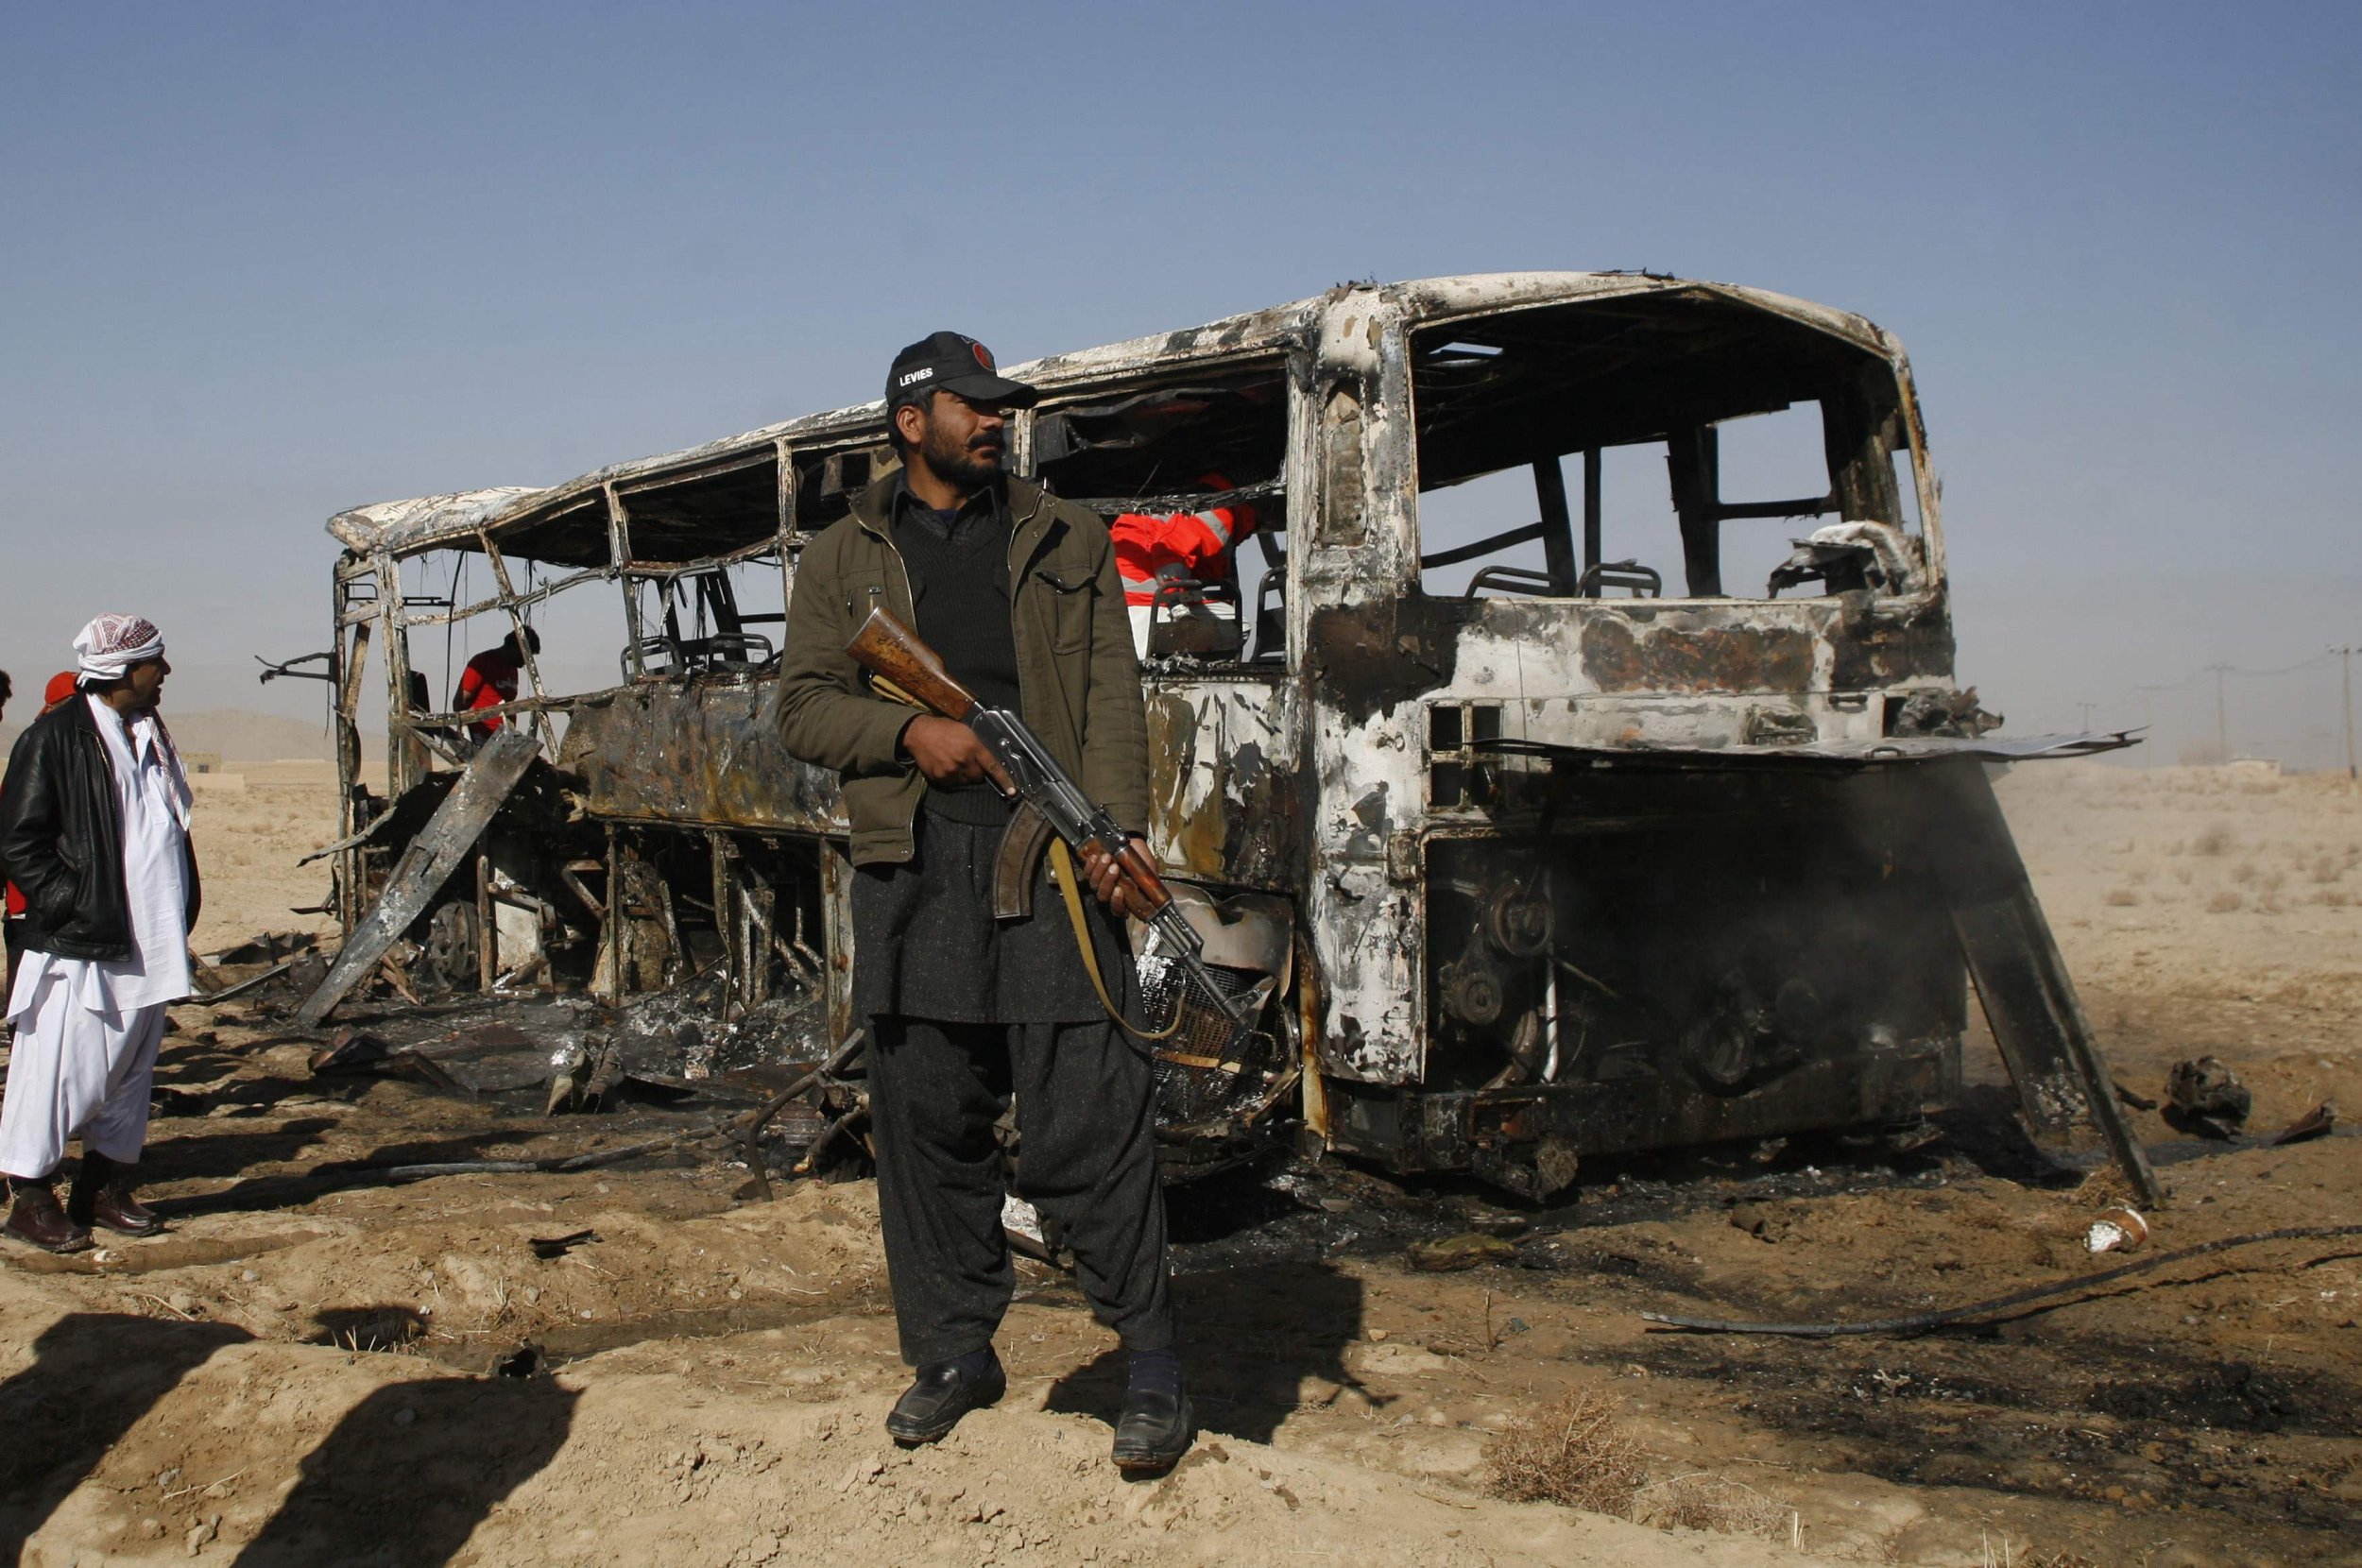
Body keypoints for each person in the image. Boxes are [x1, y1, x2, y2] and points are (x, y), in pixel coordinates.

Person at [775, 332, 1190, 1471]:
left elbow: (1110, 690)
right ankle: (955, 1353)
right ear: (912, 421)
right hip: (911, 866)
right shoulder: (839, 558)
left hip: (1051, 855)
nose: (997, 420)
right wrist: (910, 729)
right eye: (974, 405)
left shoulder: (1066, 535)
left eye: (1003, 407)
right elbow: (802, 707)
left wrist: (1121, 834)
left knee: (1090, 1110)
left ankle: (1148, 1361)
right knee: (927, 1119)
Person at [0, 618, 198, 1253]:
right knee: (61, 1073)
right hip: (82, 946)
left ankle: (103, 1190)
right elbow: (20, 843)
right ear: (122, 669)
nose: (164, 673)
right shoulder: (55, 737)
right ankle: (30, 1199)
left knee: (129, 1074)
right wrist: (73, 902)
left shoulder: (151, 733)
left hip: (150, 944)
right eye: (155, 662)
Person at [1110, 475, 1260, 657]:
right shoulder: (1217, 510)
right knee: (1238, 628)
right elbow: (1172, 550)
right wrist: (1179, 608)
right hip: (1146, 601)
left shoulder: (1189, 500)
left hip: (1121, 599)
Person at [454, 626, 539, 742]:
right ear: (517, 648)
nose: (526, 661)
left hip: (504, 738)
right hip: (480, 737)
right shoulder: (483, 662)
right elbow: (460, 702)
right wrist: (467, 733)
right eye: (525, 656)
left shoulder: (512, 669)